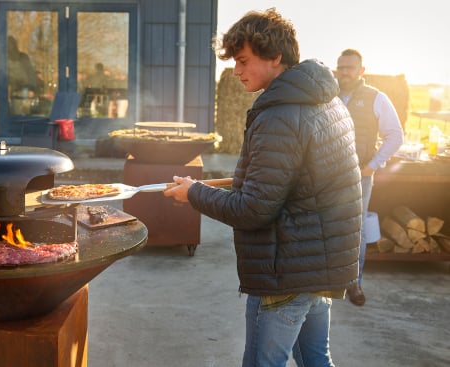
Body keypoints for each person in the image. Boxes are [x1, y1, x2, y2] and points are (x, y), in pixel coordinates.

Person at [163, 8, 362, 367]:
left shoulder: (280, 116)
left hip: (285, 271)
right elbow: (296, 183)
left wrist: (193, 193)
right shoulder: (327, 100)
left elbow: (253, 209)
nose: (236, 71)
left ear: (275, 57)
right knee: (317, 360)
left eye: (243, 61)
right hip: (319, 266)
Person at [335, 49, 404, 306]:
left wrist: (374, 165)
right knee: (326, 225)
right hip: (328, 175)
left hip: (359, 176)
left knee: (357, 229)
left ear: (361, 70)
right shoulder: (328, 96)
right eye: (341, 67)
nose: (344, 72)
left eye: (350, 67)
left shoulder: (376, 98)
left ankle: (354, 283)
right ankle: (326, 281)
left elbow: (395, 134)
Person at [7, 35, 38, 115]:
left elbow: (30, 73)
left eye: (10, 44)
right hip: (13, 90)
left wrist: (32, 88)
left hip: (24, 88)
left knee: (21, 113)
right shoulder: (4, 59)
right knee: (17, 112)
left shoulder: (22, 57)